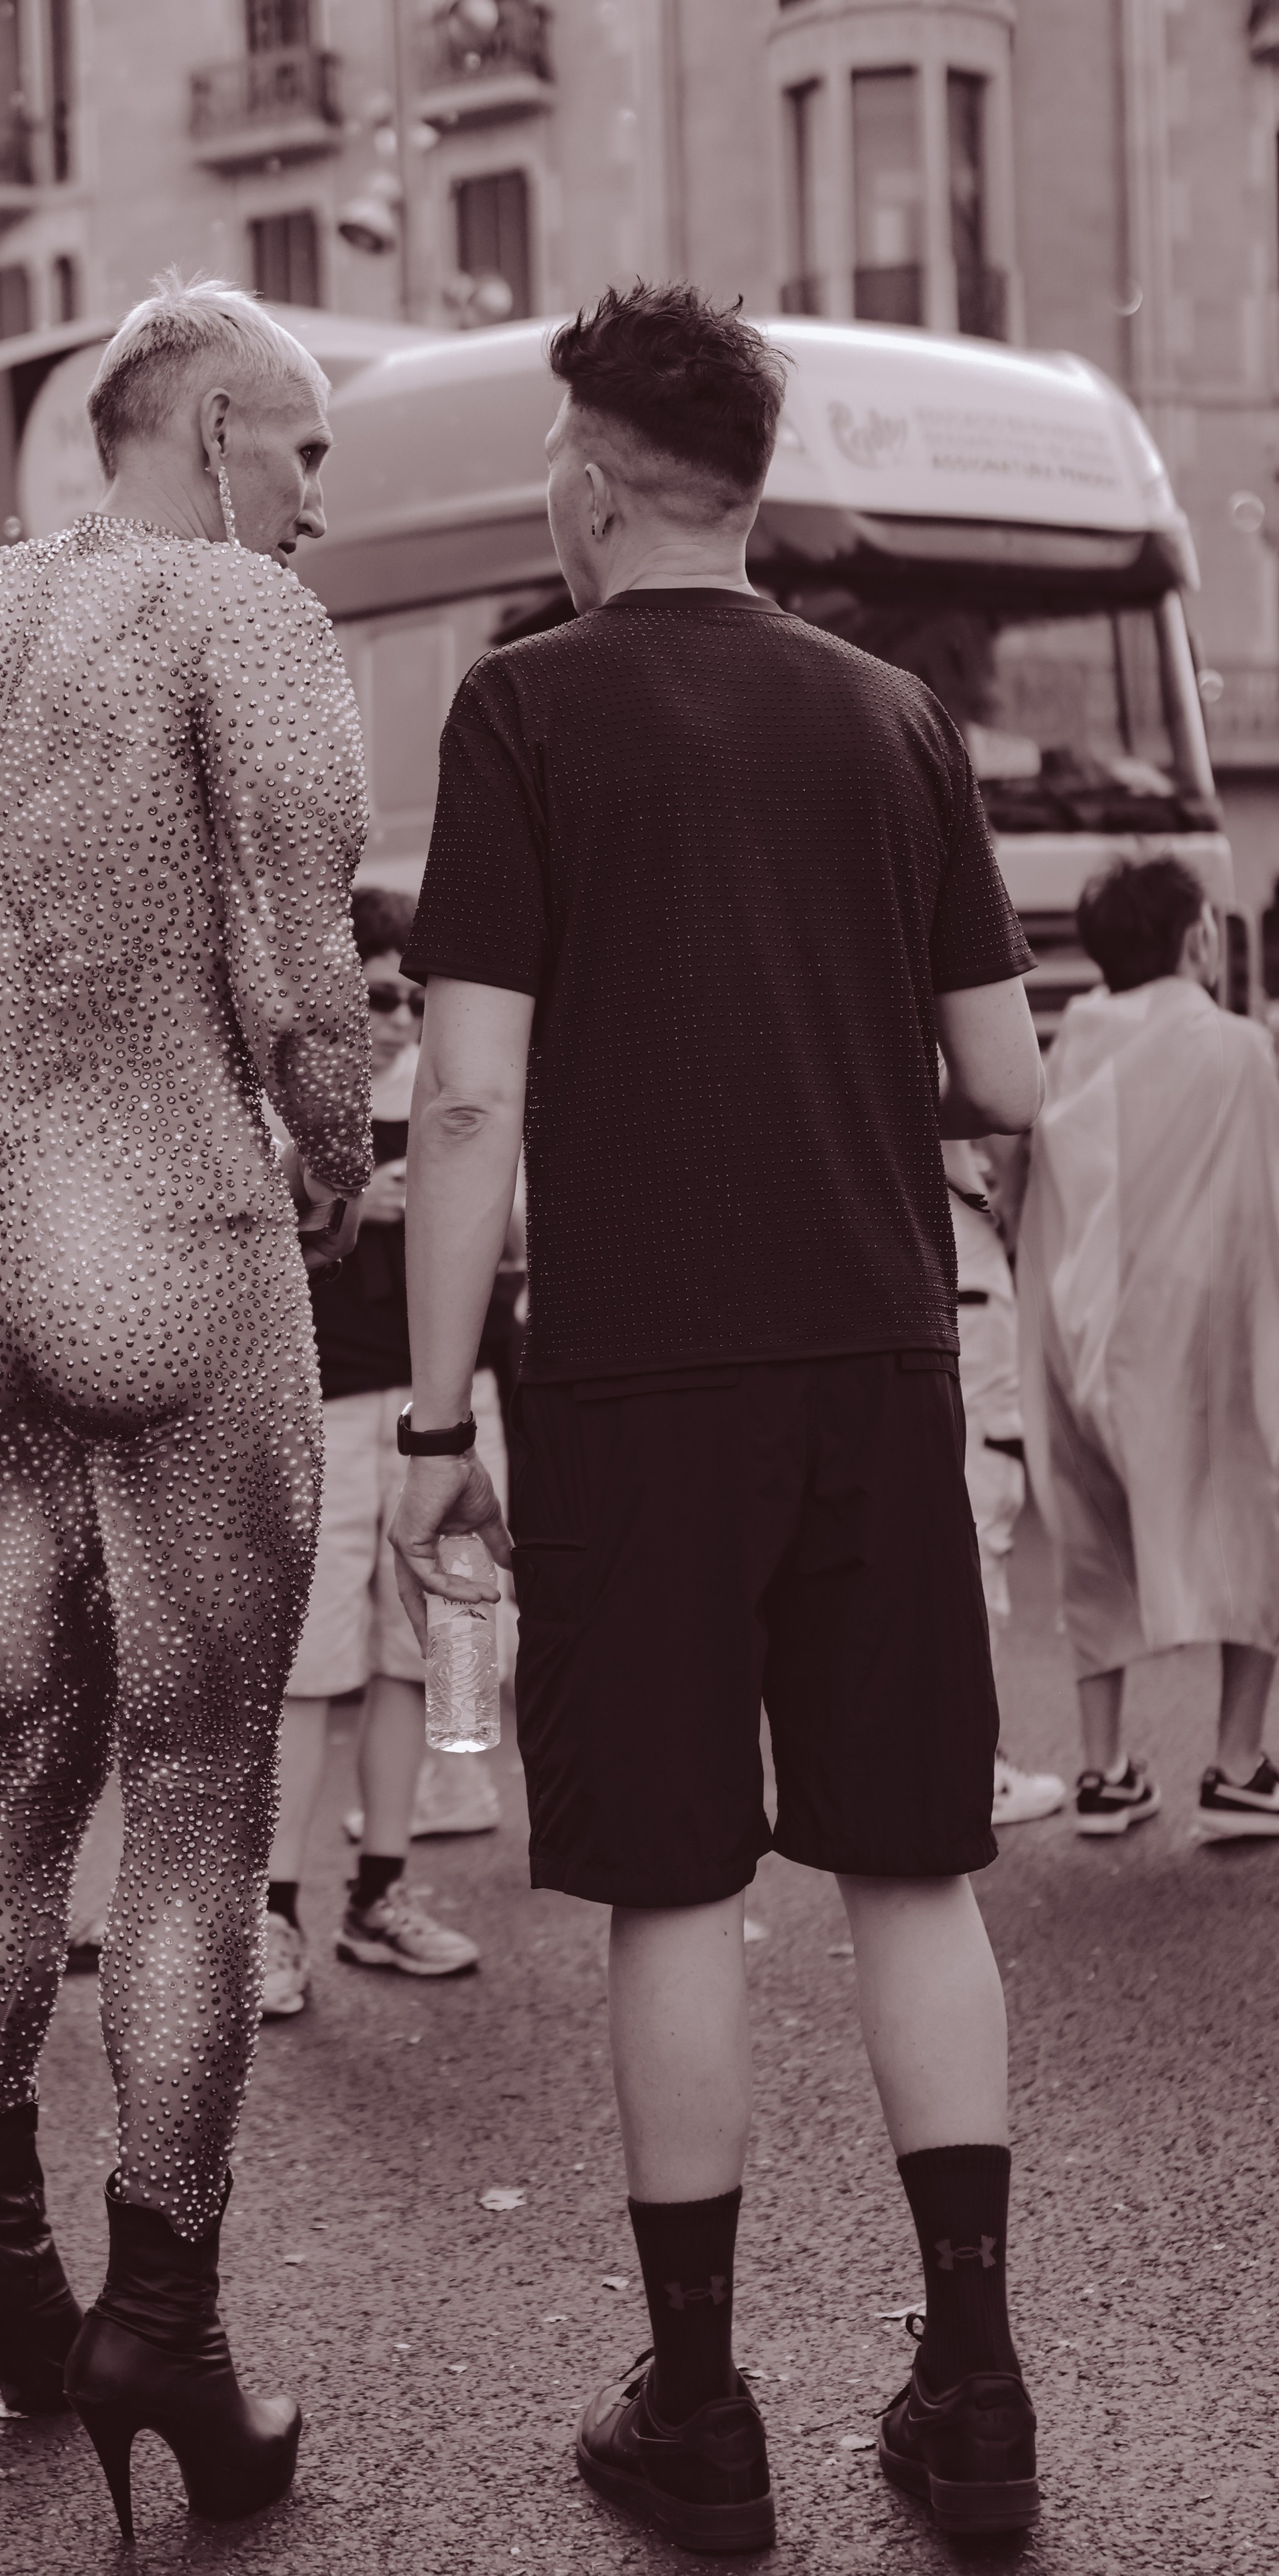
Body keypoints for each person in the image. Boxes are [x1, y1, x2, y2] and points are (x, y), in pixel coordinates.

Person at [388, 284, 1047, 2553]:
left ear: (588, 480)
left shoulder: (523, 714)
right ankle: (974, 2394)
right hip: (874, 1350)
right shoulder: (894, 718)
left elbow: (467, 1090)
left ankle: (703, 2412)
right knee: (912, 1861)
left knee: (671, 1884)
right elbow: (1008, 1079)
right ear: (748, 484)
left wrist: (431, 1414)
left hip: (639, 1382)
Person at [0, 273, 370, 2544]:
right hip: (167, 1224)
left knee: (23, 1728)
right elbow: (315, 976)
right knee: (201, 1793)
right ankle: (166, 2318)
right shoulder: (236, 611)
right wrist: (319, 1171)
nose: (318, 508)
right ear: (214, 427)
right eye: (309, 454)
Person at [262, 885, 508, 2019]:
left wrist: (471, 1209)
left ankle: (393, 1879)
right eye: (379, 996)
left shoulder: (471, 1089)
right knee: (311, 1667)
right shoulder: (286, 1101)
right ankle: (271, 1918)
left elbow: (521, 1234)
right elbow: (248, 1248)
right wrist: (360, 1190)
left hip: (450, 1407)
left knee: (446, 1645)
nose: (405, 1018)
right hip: (321, 1405)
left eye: (420, 996)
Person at [1018, 856, 1279, 1841]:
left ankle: (1103, 1772)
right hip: (1208, 1339)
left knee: (1094, 1541)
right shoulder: (1238, 1049)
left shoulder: (1070, 1042)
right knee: (1253, 1519)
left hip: (1087, 1343)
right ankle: (1239, 1766)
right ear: (1197, 938)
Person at [942, 1137, 1065, 1828]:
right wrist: (1001, 1204)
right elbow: (996, 1095)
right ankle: (972, 1767)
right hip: (956, 1256)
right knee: (975, 1518)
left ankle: (930, 1756)